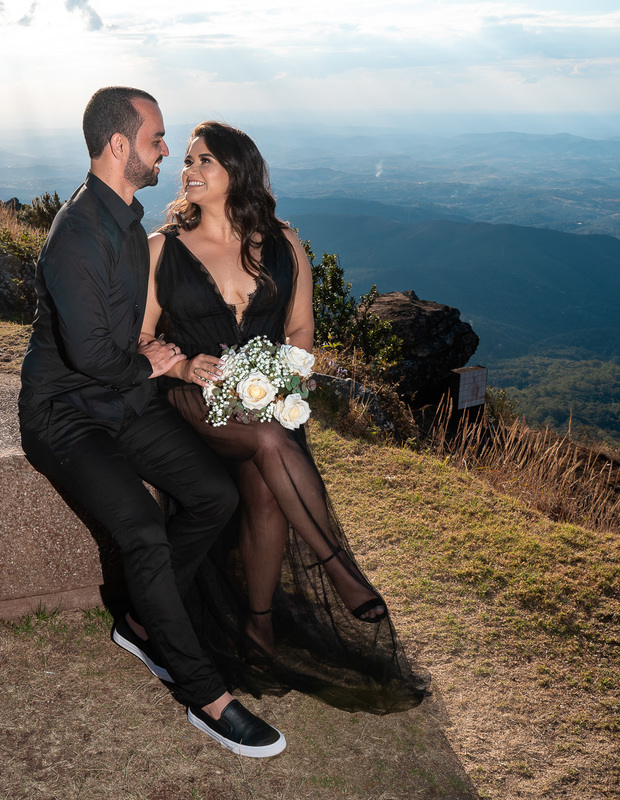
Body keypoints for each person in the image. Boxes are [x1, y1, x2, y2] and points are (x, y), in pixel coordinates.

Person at [18, 89, 286, 757]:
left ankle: (141, 618)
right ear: (119, 146)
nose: (167, 150)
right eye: (157, 138)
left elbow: (131, 339)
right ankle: (206, 694)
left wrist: (178, 361)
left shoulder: (131, 222)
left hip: (122, 401)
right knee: (141, 528)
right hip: (66, 415)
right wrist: (156, 363)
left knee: (213, 494)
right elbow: (91, 354)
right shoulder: (75, 235)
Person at [141, 121, 427, 713]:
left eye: (204, 161)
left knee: (267, 481)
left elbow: (300, 336)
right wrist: (183, 366)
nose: (188, 170)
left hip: (268, 403)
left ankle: (260, 625)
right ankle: (339, 566)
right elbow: (141, 338)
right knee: (271, 442)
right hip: (196, 401)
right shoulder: (161, 249)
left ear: (237, 172)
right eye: (187, 161)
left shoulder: (284, 243)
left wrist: (286, 380)